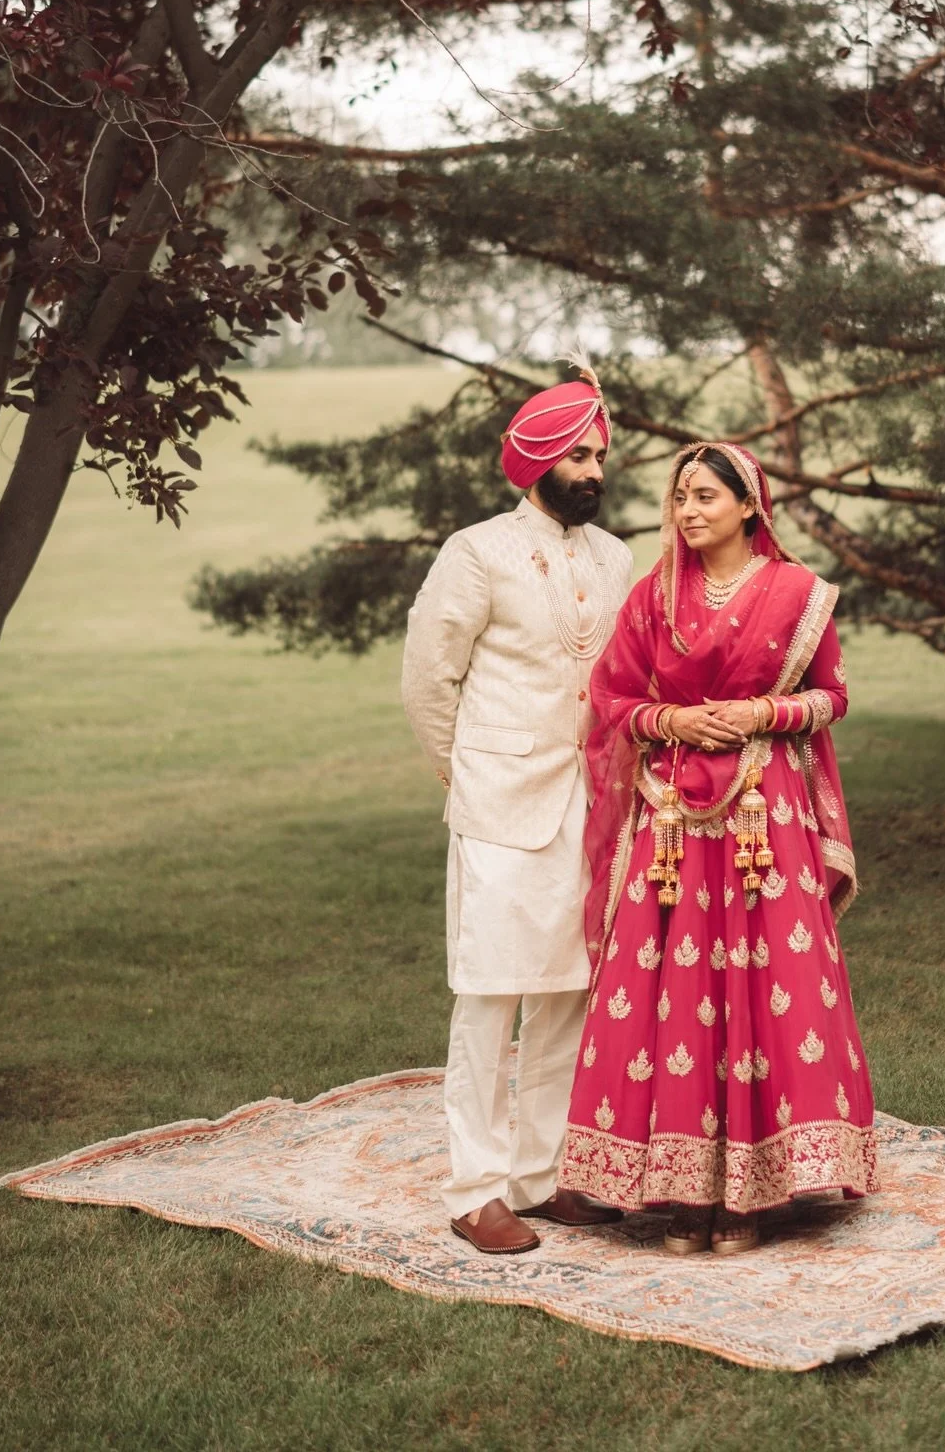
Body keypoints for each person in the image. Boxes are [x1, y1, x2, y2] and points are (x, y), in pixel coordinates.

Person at [560, 441, 877, 1255]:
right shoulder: (653, 598)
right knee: (673, 987)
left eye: (706, 496)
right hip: (671, 816)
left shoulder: (798, 594)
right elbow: (613, 696)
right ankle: (682, 1190)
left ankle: (752, 1195)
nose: (689, 511)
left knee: (767, 986)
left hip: (764, 819)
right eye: (680, 497)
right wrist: (671, 720)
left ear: (748, 505)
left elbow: (832, 696)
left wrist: (762, 714)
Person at [401, 372, 633, 1254]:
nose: (594, 470)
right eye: (578, 455)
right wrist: (462, 774)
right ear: (536, 462)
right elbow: (429, 679)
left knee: (567, 990)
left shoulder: (615, 558)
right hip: (499, 801)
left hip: (592, 802)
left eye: (600, 455)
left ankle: (539, 1177)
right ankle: (474, 1190)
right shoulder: (476, 552)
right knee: (490, 996)